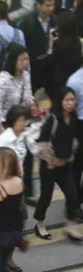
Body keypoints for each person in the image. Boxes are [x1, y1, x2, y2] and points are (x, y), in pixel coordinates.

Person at [33, 87, 83, 242]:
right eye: (67, 100)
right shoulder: (53, 118)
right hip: (50, 166)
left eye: (73, 100)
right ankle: (39, 224)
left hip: (65, 165)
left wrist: (72, 154)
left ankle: (70, 226)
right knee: (46, 197)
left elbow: (74, 139)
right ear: (60, 101)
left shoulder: (73, 119)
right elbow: (42, 141)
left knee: (72, 196)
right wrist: (49, 161)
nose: (70, 103)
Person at [0, 45, 36, 206]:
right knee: (7, 163)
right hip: (7, 126)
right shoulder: (3, 80)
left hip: (22, 125)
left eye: (27, 60)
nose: (25, 63)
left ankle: (27, 192)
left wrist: (32, 105)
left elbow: (29, 96)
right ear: (13, 60)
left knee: (27, 159)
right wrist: (1, 130)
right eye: (21, 60)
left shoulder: (26, 77)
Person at [0, 105, 29, 272]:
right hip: (3, 188)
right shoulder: (3, 141)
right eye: (21, 120)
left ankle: (5, 254)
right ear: (13, 122)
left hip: (16, 186)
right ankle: (5, 256)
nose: (24, 123)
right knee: (7, 222)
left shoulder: (21, 137)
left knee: (17, 220)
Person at [19, 0, 55, 94]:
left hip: (49, 68)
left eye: (52, 5)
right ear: (38, 5)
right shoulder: (27, 23)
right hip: (33, 68)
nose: (51, 8)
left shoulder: (55, 21)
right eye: (47, 5)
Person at [42, 11, 82, 101]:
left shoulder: (59, 43)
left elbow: (49, 60)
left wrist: (51, 43)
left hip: (59, 81)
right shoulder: (77, 42)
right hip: (73, 78)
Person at [65, 62, 83, 215]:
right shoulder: (74, 81)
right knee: (77, 167)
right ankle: (74, 204)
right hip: (80, 125)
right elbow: (69, 108)